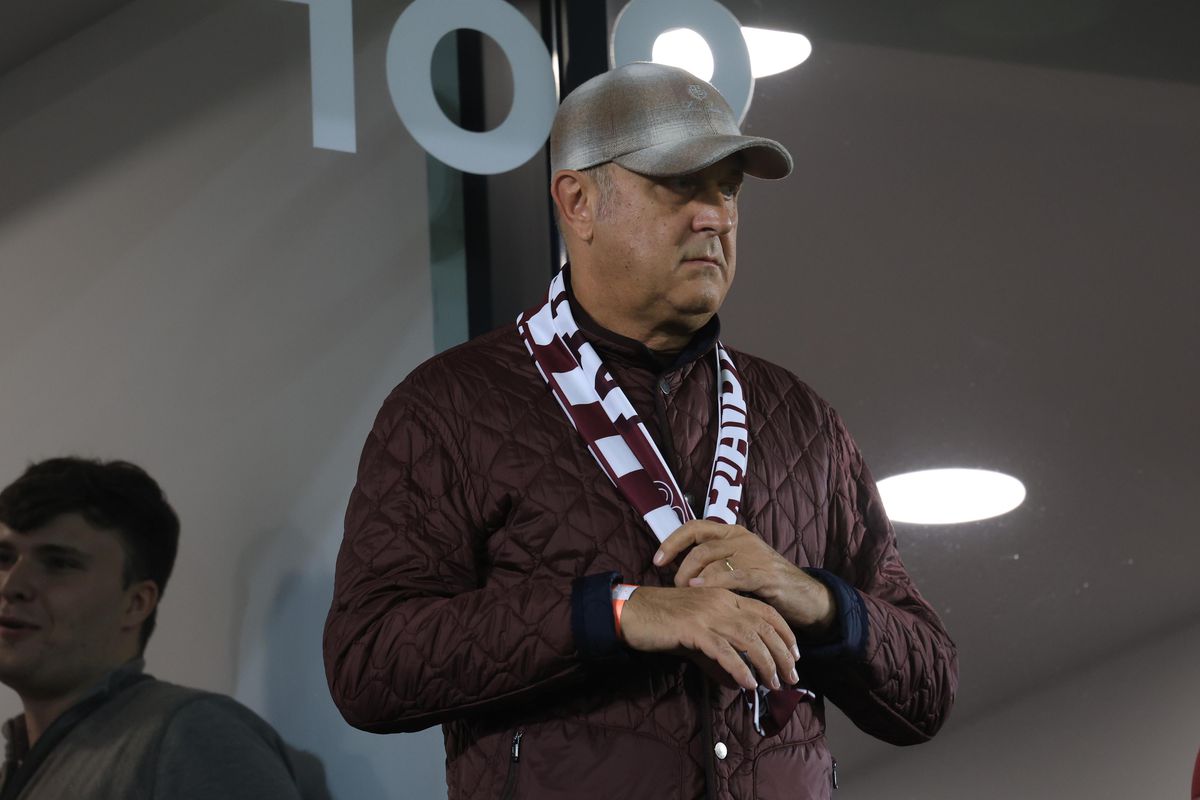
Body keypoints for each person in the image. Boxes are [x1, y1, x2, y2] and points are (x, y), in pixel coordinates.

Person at [324, 62, 957, 799]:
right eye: (680, 185)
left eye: (728, 189)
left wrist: (815, 600)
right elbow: (370, 662)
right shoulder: (452, 407)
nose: (715, 217)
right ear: (578, 201)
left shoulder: (801, 419)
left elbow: (929, 690)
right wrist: (618, 613)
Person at [0, 457, 326, 800]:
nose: (11, 585)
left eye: (58, 563)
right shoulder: (26, 764)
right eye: (3, 558)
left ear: (136, 603)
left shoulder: (193, 737)